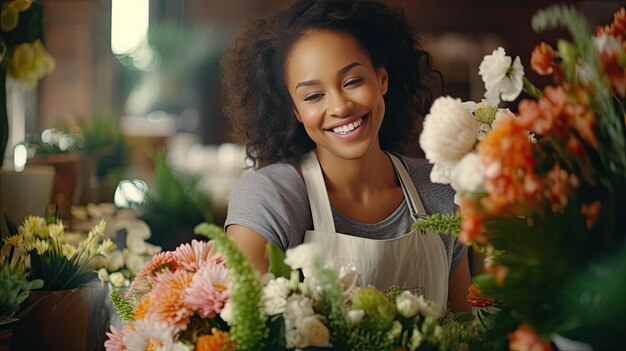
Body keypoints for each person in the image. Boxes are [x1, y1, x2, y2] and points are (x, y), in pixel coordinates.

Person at [221, 0, 471, 313]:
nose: (340, 107)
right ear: (295, 110)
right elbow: (245, 330)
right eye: (314, 96)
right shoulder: (270, 200)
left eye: (352, 81)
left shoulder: (441, 191)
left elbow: (468, 331)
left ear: (382, 79)